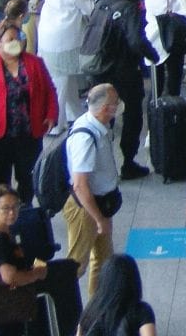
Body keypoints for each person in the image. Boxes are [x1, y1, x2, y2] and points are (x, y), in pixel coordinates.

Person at [84, 0, 155, 177]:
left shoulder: (102, 2)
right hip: (123, 70)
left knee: (101, 116)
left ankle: (96, 163)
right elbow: (135, 41)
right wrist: (152, 55)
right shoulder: (128, 7)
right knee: (133, 114)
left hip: (98, 69)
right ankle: (129, 162)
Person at [0, 22, 55, 198]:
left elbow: (49, 89)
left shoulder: (35, 63)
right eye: (10, 39)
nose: (15, 42)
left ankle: (24, 214)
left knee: (28, 179)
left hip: (28, 134)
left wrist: (51, 114)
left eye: (18, 38)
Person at [62, 82, 124, 296]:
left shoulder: (99, 127)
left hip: (99, 205)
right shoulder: (85, 137)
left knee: (104, 263)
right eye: (116, 103)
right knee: (76, 265)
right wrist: (99, 219)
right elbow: (80, 185)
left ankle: (98, 311)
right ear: (106, 108)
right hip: (86, 209)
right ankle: (64, 309)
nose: (118, 106)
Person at [0, 184, 46, 336]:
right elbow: (9, 277)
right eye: (5, 208)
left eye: (16, 207)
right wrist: (36, 274)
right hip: (5, 312)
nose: (12, 212)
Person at [37, 0, 93, 124]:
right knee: (60, 83)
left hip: (48, 36)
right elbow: (89, 8)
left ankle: (73, 114)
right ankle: (55, 122)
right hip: (65, 41)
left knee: (66, 80)